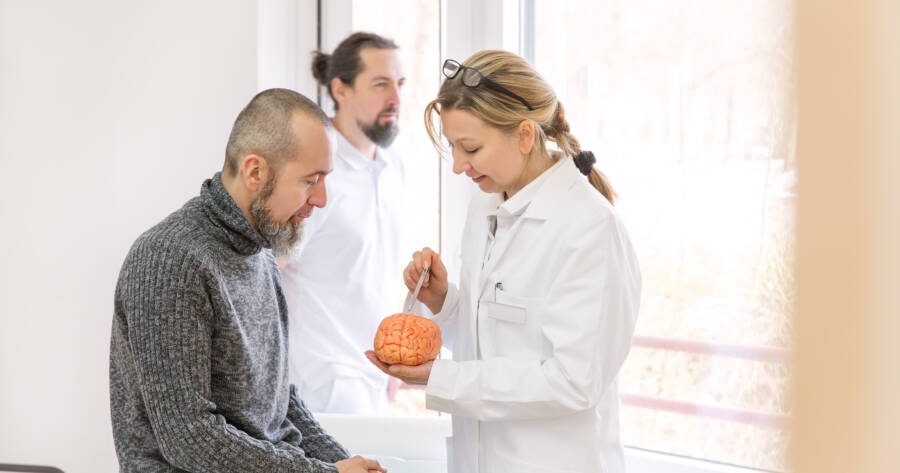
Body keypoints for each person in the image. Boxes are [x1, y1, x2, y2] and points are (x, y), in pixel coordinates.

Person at [366, 51, 642, 473]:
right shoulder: (486, 206)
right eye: (452, 147)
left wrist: (440, 379)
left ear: (525, 135)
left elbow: (574, 381)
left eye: (470, 148)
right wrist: (445, 301)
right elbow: (496, 336)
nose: (458, 166)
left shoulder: (590, 229)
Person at [109, 88, 385, 473]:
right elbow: (190, 439)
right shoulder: (169, 258)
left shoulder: (262, 254)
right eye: (311, 180)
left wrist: (343, 462)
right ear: (255, 172)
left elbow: (280, 406)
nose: (321, 199)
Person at [279, 32, 407, 414]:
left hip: (376, 377)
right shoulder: (314, 170)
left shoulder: (394, 168)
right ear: (341, 90)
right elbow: (266, 269)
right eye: (381, 84)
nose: (396, 99)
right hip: (322, 380)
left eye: (399, 84)